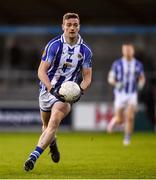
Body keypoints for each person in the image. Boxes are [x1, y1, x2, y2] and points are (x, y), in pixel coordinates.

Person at [24, 12, 92, 171]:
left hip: (65, 95)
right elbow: (41, 71)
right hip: (47, 90)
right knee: (46, 126)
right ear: (63, 27)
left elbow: (87, 77)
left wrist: (79, 91)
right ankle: (52, 144)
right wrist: (51, 89)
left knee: (54, 121)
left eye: (75, 25)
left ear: (79, 27)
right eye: (69, 25)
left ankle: (33, 157)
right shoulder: (53, 45)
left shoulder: (85, 50)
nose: (72, 28)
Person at [107, 43, 145, 145]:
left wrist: (141, 84)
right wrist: (116, 83)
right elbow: (110, 78)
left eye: (129, 50)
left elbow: (142, 78)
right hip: (120, 94)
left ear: (133, 51)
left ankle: (127, 138)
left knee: (130, 117)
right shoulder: (117, 64)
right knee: (120, 120)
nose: (128, 52)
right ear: (123, 51)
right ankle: (115, 120)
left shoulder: (138, 64)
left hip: (132, 94)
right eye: (126, 50)